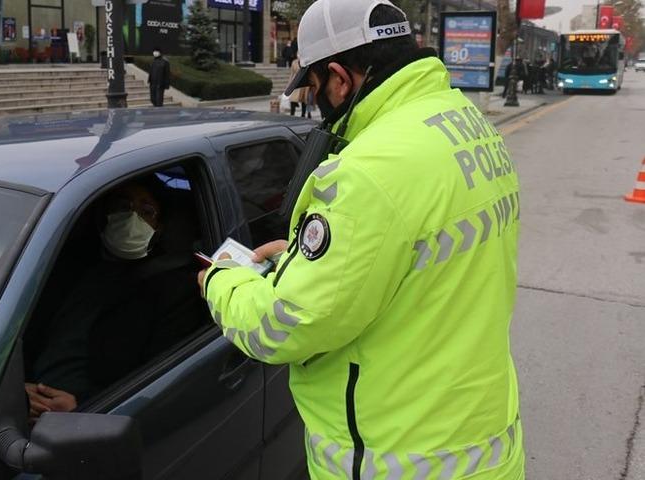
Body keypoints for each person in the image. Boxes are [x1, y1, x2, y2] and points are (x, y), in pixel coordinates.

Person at [197, 0, 525, 477]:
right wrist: (309, 258)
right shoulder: (465, 123)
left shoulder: (365, 172)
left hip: (399, 458)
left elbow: (286, 326)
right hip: (485, 442)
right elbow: (421, 249)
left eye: (312, 86)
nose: (314, 101)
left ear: (339, 77)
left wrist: (220, 281)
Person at [27, 180, 205, 419]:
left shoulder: (172, 291)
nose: (133, 218)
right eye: (123, 206)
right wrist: (15, 392)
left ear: (159, 229)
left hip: (87, 417)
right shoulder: (60, 266)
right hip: (25, 401)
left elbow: (156, 382)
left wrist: (82, 407)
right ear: (103, 217)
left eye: (146, 212)